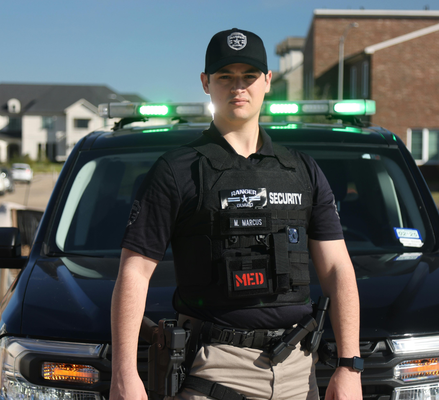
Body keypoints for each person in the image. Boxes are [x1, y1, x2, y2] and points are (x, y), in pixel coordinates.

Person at [110, 28, 362, 400]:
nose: (238, 87)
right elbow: (134, 272)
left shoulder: (303, 171)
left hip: (298, 372)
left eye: (249, 76)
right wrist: (124, 373)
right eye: (225, 76)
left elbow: (337, 269)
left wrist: (349, 366)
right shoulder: (177, 171)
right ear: (205, 83)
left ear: (268, 81)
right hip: (214, 370)